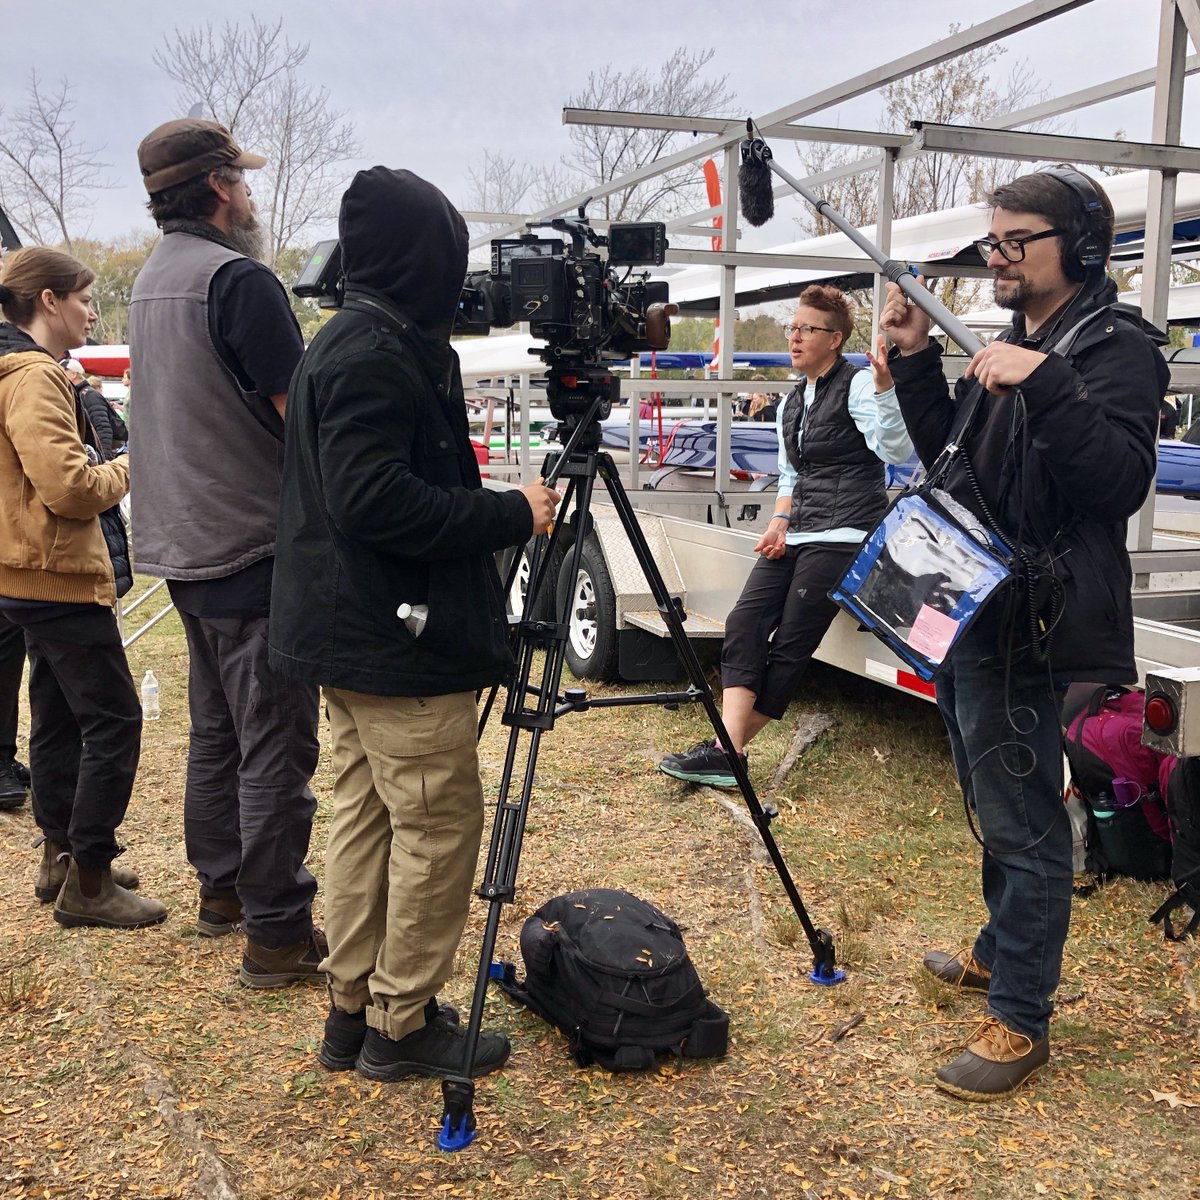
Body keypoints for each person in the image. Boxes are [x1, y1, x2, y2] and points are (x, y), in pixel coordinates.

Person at [880, 166, 1165, 1100]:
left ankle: (1021, 1021)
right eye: (991, 242)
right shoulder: (1017, 338)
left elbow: (1117, 482)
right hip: (975, 608)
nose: (995, 258)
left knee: (1023, 815)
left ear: (1076, 248)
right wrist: (919, 363)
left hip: (1034, 625)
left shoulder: (1114, 350)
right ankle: (1000, 952)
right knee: (987, 789)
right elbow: (959, 466)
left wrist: (1046, 385)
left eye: (1015, 242)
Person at [269, 166, 560, 1080]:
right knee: (435, 829)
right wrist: (513, 512)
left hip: (356, 637)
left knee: (364, 822)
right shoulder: (371, 354)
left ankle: (353, 1013)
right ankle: (403, 1024)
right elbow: (373, 500)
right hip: (397, 642)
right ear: (420, 257)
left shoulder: (360, 338)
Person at [128, 118, 324, 985]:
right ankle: (277, 931)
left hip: (183, 543)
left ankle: (223, 892)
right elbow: (303, 420)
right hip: (249, 542)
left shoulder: (150, 280)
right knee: (276, 743)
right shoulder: (236, 280)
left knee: (218, 734)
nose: (250, 195)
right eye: (241, 182)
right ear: (216, 187)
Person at [659, 285, 912, 787]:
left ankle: (724, 752)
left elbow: (895, 449)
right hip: (797, 532)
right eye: (791, 328)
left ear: (835, 338)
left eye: (806, 329)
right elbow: (789, 474)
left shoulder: (859, 385)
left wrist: (886, 389)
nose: (794, 338)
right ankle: (728, 753)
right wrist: (777, 523)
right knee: (745, 620)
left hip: (845, 534)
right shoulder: (791, 401)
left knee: (791, 644)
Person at [0, 247, 164, 927]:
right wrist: (129, 465)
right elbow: (70, 488)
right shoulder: (35, 378)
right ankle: (90, 880)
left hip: (29, 573)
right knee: (115, 720)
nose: (92, 312)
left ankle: (62, 856)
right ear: (47, 301)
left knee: (60, 715)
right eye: (85, 299)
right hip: (57, 576)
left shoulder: (20, 372)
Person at [60, 359, 127, 458]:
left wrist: (105, 457)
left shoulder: (88, 395)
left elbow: (103, 428)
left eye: (62, 373)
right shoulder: (82, 394)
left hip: (100, 453)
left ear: (73, 374)